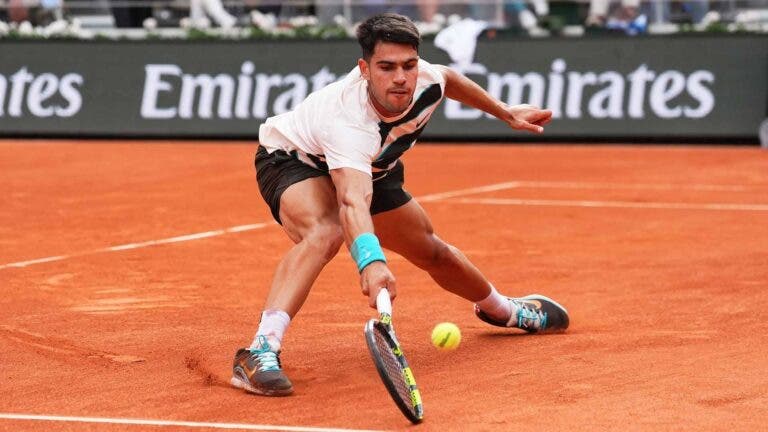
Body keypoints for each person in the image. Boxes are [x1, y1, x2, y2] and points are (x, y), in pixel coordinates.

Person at [230, 12, 570, 397]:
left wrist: (506, 112)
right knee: (326, 231)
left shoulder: (425, 79)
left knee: (432, 250)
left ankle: (503, 310)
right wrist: (371, 262)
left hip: (375, 166)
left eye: (409, 65)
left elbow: (449, 79)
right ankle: (260, 349)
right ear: (364, 69)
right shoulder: (347, 120)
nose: (401, 78)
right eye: (386, 67)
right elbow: (352, 200)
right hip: (295, 158)